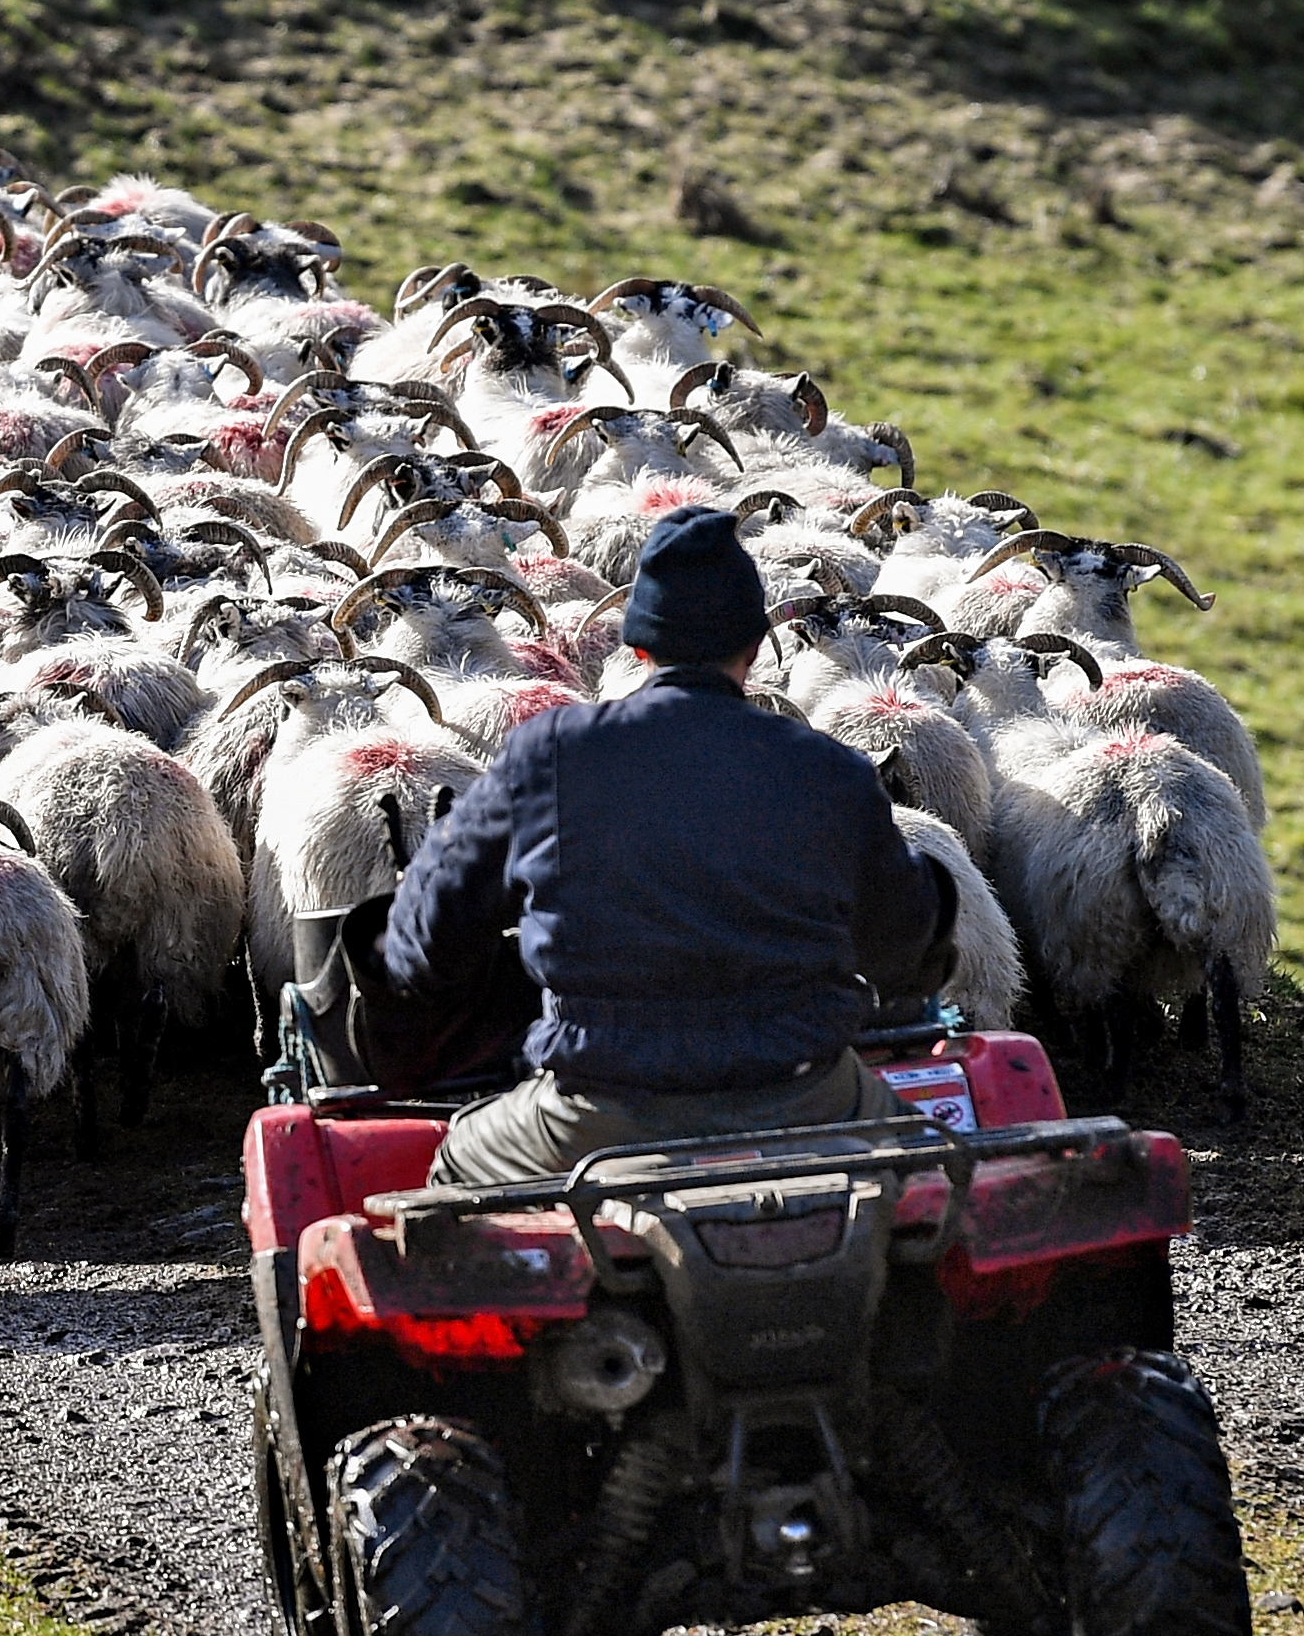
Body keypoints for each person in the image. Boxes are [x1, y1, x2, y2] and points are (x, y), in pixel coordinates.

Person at [384, 506, 959, 1190]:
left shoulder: (551, 754)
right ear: (754, 645)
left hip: (599, 1111)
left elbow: (423, 943)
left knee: (453, 1167)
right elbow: (903, 948)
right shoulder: (830, 770)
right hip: (806, 1096)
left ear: (636, 648)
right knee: (930, 1171)